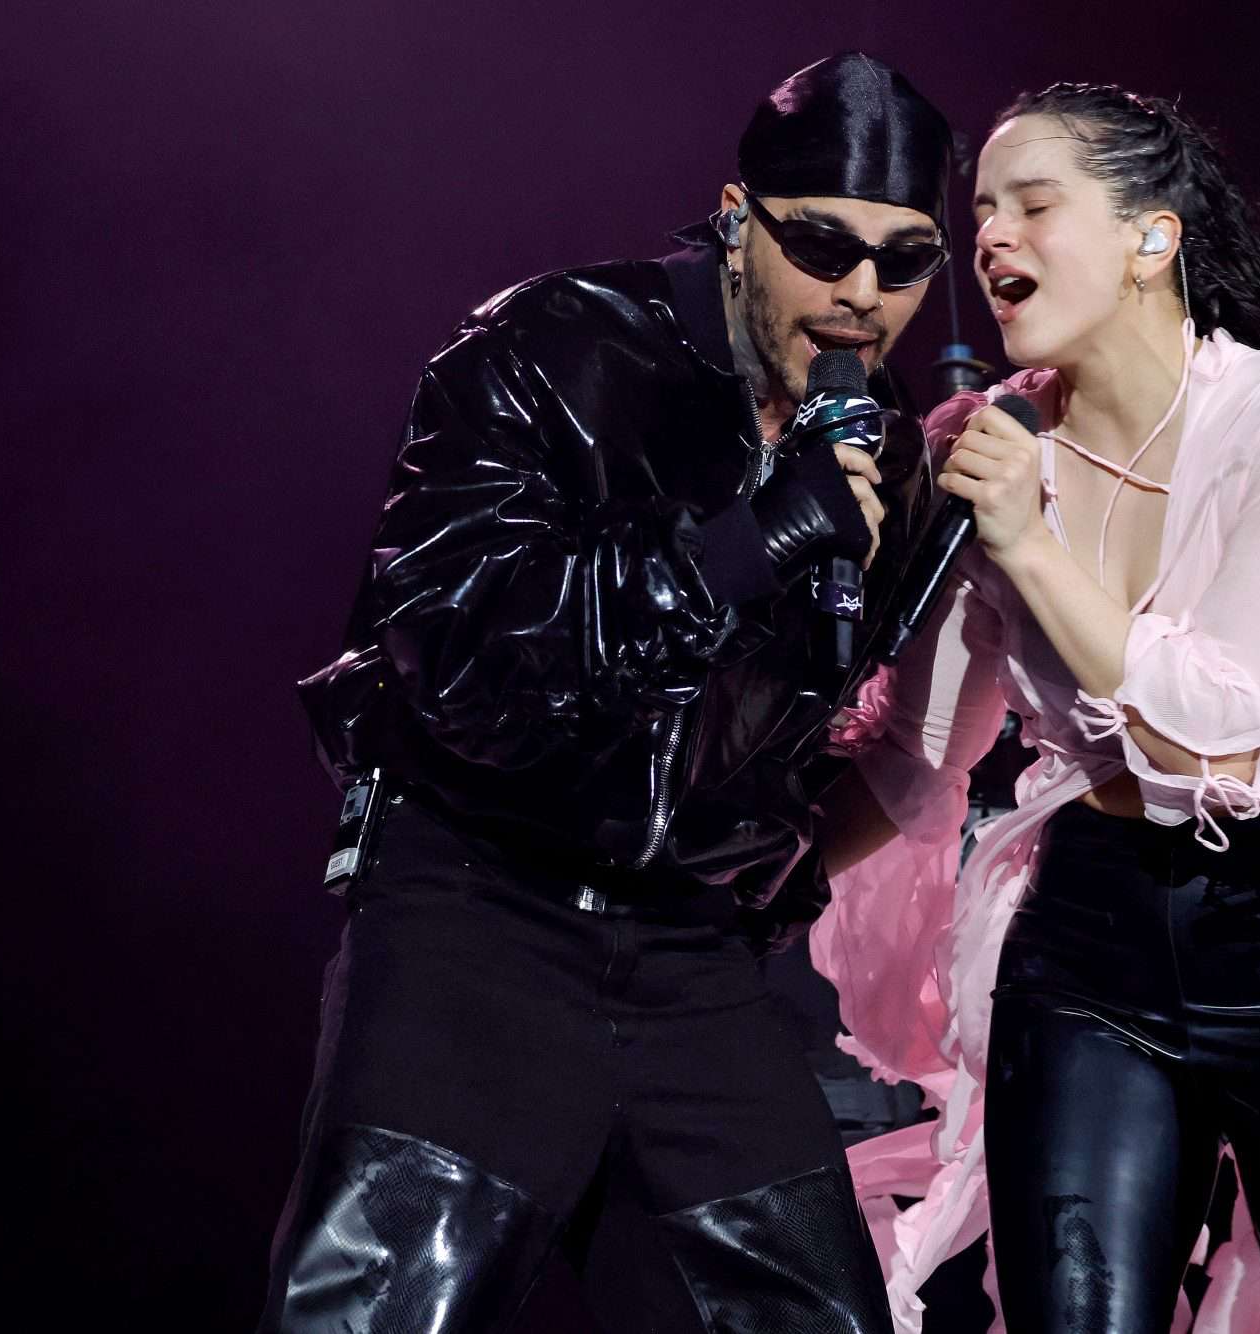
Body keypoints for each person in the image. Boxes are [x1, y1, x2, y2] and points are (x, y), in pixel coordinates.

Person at [258, 52, 954, 1333]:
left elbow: (832, 742)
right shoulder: (551, 346)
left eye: (904, 262)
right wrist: (737, 548)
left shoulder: (887, 455)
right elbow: (450, 659)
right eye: (823, 245)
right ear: (738, 220)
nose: (861, 295)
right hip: (482, 918)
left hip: (692, 960)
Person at [812, 83, 1260, 1333]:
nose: (989, 241)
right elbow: (917, 755)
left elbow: (1222, 725)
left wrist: (1025, 535)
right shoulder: (993, 441)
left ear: (1150, 237)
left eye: (1033, 205)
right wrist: (722, 876)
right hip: (1087, 939)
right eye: (979, 216)